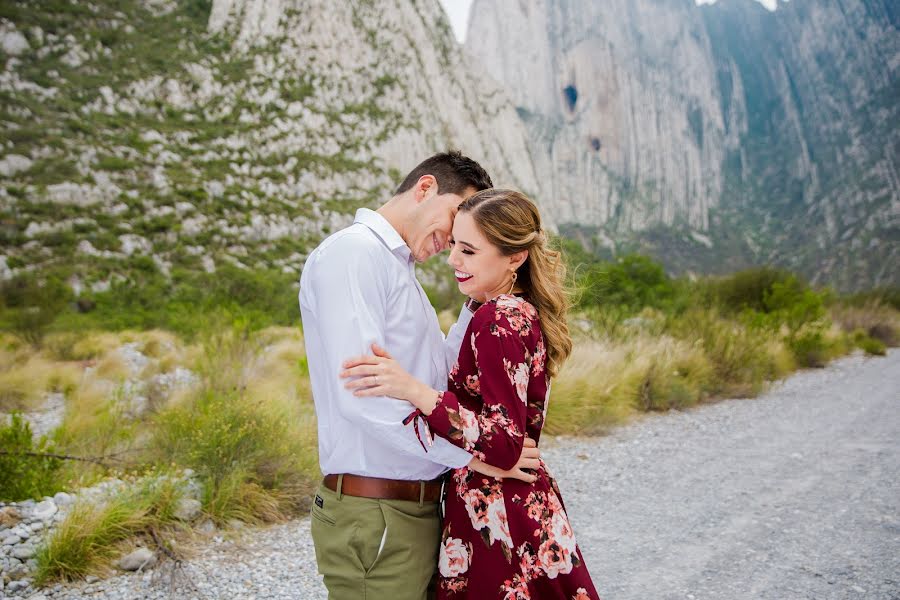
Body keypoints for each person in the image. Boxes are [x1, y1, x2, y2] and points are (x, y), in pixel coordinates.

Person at [299, 153, 541, 600]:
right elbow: (365, 397)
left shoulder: (396, 268)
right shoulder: (355, 255)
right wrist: (468, 458)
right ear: (425, 188)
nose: (453, 241)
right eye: (455, 219)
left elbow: (435, 374)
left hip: (414, 508)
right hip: (377, 511)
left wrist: (486, 294)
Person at [341, 189, 600, 599]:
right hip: (510, 500)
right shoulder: (515, 310)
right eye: (454, 246)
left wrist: (412, 389)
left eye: (469, 250)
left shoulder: (496, 319)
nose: (453, 260)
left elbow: (504, 443)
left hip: (497, 509)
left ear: (515, 257)